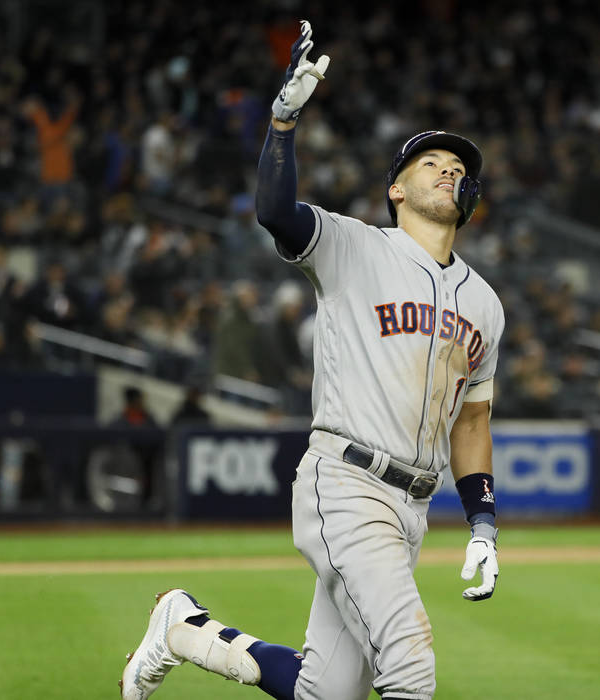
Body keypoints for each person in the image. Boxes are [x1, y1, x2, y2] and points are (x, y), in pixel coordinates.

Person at [121, 20, 505, 700]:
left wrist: (482, 522)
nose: (449, 171)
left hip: (414, 506)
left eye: (458, 169)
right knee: (411, 670)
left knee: (324, 695)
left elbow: (472, 423)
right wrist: (284, 119)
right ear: (395, 190)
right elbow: (276, 211)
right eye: (430, 165)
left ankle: (183, 629)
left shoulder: (486, 304)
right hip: (347, 483)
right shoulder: (354, 246)